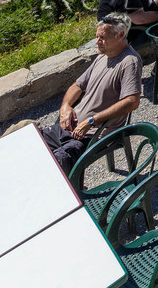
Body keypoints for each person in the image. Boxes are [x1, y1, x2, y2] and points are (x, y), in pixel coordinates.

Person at [41, 14, 142, 172]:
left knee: (56, 164)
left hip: (94, 134)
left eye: (102, 37)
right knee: (34, 143)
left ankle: (70, 191)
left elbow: (132, 102)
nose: (97, 42)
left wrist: (91, 121)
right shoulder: (102, 56)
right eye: (97, 37)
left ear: (121, 35)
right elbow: (77, 85)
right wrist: (65, 107)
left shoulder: (129, 62)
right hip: (72, 126)